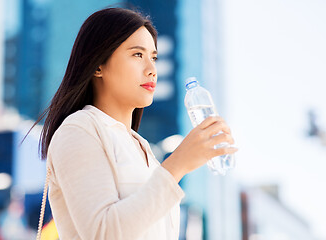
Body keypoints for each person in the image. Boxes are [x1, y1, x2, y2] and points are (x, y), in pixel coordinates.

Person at [26, 7, 237, 240]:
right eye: (138, 55)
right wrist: (178, 164)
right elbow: (102, 232)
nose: (152, 70)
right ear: (98, 65)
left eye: (154, 58)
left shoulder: (143, 148)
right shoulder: (79, 129)